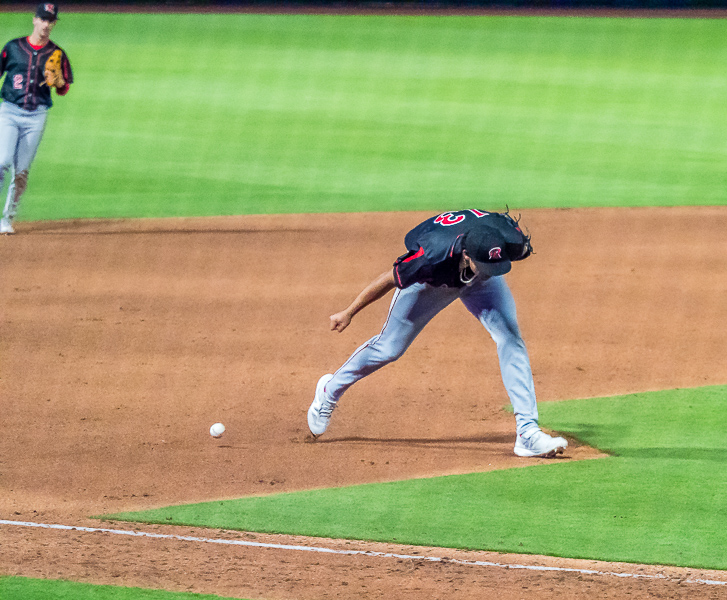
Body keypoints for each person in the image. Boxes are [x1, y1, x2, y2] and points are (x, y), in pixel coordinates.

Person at [307, 209, 568, 458]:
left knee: (510, 338)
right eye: (485, 267)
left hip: (474, 280)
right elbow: (387, 279)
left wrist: (488, 267)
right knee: (389, 348)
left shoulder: (505, 240)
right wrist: (349, 312)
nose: (491, 274)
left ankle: (527, 433)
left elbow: (496, 260)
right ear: (466, 255)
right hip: (429, 284)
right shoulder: (429, 257)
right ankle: (330, 390)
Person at [0, 2, 73, 235]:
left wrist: (59, 82)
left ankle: (7, 219)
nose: (46, 25)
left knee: (21, 172)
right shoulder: (13, 47)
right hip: (9, 111)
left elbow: (63, 89)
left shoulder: (57, 53)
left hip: (36, 116)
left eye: (50, 21)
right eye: (42, 19)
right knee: (1, 162)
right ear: (34, 20)